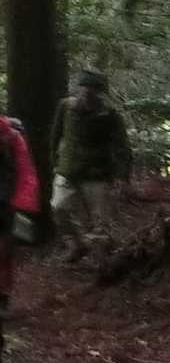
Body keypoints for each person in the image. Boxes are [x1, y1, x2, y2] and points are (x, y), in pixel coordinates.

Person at [49, 69, 132, 260]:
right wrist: (54, 162)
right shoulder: (66, 107)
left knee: (99, 221)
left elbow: (122, 146)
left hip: (97, 174)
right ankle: (76, 245)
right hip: (68, 170)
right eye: (85, 87)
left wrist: (122, 175)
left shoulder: (110, 114)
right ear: (80, 87)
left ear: (100, 92)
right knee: (58, 208)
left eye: (93, 89)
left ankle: (103, 261)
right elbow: (55, 136)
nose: (88, 92)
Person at [0, 92, 39, 307]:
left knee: (2, 250)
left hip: (3, 201)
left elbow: (25, 169)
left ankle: (1, 293)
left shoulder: (11, 135)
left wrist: (22, 202)